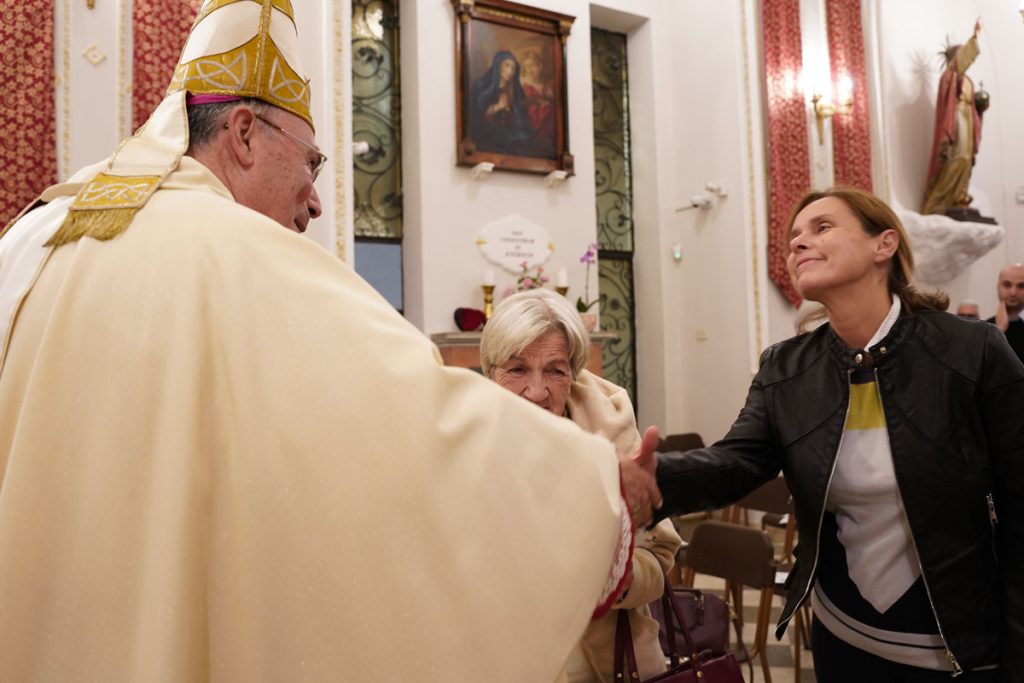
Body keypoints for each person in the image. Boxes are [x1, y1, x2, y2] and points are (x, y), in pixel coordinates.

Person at [0, 2, 662, 680]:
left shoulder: (34, 234)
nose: (315, 201)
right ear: (244, 133)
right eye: (311, 164)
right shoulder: (236, 250)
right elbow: (408, 411)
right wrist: (587, 486)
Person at [649, 187, 1023, 681]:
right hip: (841, 638)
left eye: (822, 227)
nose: (797, 243)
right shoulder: (786, 367)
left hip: (957, 647)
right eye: (793, 237)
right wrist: (652, 477)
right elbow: (738, 462)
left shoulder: (972, 351)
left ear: (883, 244)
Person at [480, 289, 683, 683]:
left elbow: (660, 558)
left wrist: (615, 577)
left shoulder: (610, 430)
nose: (536, 392)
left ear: (573, 375)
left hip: (600, 662)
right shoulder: (463, 435)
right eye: (517, 369)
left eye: (554, 371)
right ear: (491, 372)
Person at [921, 20, 984, 217]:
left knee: (966, 159)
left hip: (967, 119)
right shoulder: (950, 76)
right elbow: (959, 68)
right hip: (956, 120)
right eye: (962, 53)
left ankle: (959, 197)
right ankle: (938, 202)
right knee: (956, 157)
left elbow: (973, 105)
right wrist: (974, 37)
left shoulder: (967, 80)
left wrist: (981, 107)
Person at [469, 50, 535, 155]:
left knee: (527, 140)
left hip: (511, 129)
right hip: (490, 131)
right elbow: (477, 117)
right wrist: (497, 107)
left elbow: (521, 114)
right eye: (507, 66)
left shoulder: (515, 91)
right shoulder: (482, 87)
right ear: (498, 66)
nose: (510, 71)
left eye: (513, 68)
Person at [986, 263, 1024, 365]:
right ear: (998, 287)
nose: (1013, 292)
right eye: (1007, 285)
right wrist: (999, 331)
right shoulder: (984, 328)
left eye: (1021, 286)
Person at [518, 49, 555, 152]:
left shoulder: (546, 85)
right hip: (528, 117)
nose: (529, 70)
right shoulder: (522, 83)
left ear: (540, 66)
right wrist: (538, 103)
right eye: (526, 67)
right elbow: (519, 102)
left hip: (544, 118)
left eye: (532, 66)